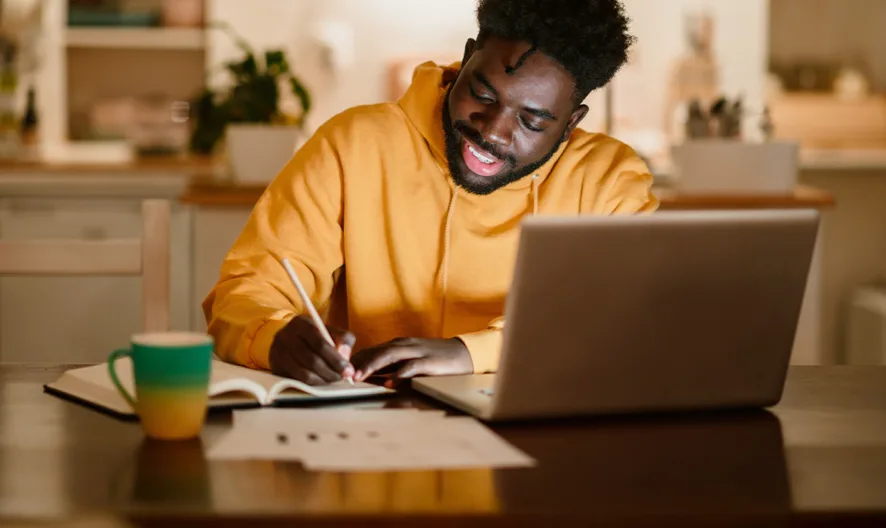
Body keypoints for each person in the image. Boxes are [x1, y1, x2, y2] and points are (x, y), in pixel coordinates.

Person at [203, 0, 659, 387]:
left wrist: (468, 353)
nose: (493, 133)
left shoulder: (610, 182)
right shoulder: (354, 144)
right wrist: (273, 336)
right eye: (483, 93)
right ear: (466, 57)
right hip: (366, 434)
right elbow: (245, 293)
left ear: (570, 123)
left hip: (536, 449)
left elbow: (627, 323)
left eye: (532, 122)